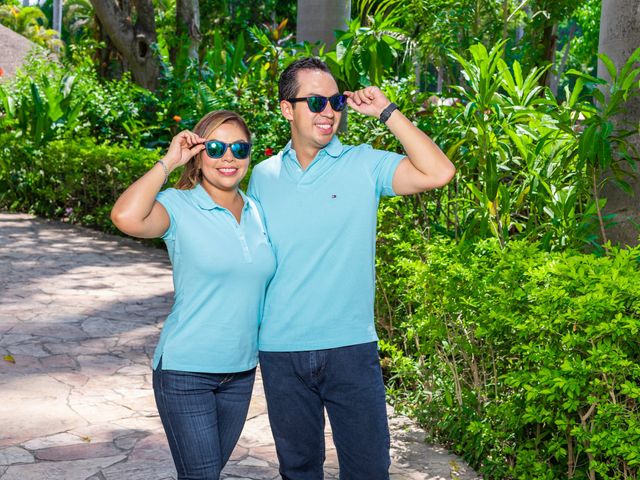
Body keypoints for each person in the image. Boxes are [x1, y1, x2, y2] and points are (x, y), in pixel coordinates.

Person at [248, 58, 456, 479]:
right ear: (288, 109)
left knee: (368, 470)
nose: (329, 112)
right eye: (316, 102)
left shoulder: (365, 164)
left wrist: (387, 111)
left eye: (336, 101)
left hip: (350, 348)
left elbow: (440, 172)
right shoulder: (262, 177)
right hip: (280, 350)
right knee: (299, 470)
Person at [110, 110, 276, 480]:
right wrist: (169, 161)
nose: (228, 157)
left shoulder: (258, 212)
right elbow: (125, 216)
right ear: (199, 156)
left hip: (241, 371)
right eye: (215, 147)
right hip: (186, 371)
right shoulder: (178, 206)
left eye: (239, 147)